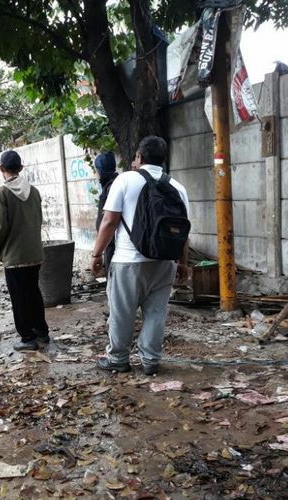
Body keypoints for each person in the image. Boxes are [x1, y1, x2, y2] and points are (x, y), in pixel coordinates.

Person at [91, 136, 191, 375]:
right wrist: (184, 264)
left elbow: (109, 221)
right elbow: (184, 231)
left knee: (122, 313)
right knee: (156, 313)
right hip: (165, 262)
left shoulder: (125, 180)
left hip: (128, 261)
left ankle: (118, 359)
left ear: (139, 157)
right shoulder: (178, 187)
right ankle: (150, 360)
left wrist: (96, 254)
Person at [0, 150, 50, 351]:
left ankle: (27, 338)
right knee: (33, 292)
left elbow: (0, 227)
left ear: (1, 169)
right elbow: (38, 220)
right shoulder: (34, 191)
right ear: (21, 168)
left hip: (14, 256)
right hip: (34, 253)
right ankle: (41, 331)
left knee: (19, 297)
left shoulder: (1, 193)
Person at [94, 152, 119, 268]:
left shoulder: (111, 188)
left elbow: (108, 221)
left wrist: (96, 254)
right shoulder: (115, 184)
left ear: (100, 170)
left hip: (113, 244)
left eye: (96, 170)